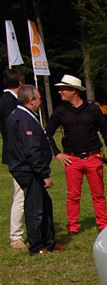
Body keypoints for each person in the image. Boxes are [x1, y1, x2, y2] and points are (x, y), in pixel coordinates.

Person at [45, 74, 107, 236]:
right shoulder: (60, 111)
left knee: (98, 195)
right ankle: (73, 227)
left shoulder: (92, 109)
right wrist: (57, 154)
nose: (60, 92)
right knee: (73, 196)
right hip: (72, 160)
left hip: (94, 157)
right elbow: (47, 134)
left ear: (73, 91)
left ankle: (103, 225)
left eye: (63, 89)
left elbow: (105, 131)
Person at [6, 85, 62, 255]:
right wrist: (43, 174)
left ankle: (49, 242)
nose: (41, 102)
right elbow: (31, 150)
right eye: (38, 98)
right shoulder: (24, 119)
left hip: (27, 168)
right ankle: (37, 247)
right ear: (31, 101)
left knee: (45, 204)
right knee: (35, 208)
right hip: (29, 170)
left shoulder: (20, 115)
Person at [2, 68, 27, 249]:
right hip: (18, 155)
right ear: (20, 83)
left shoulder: (4, 101)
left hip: (13, 154)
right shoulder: (11, 104)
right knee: (20, 195)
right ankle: (16, 236)